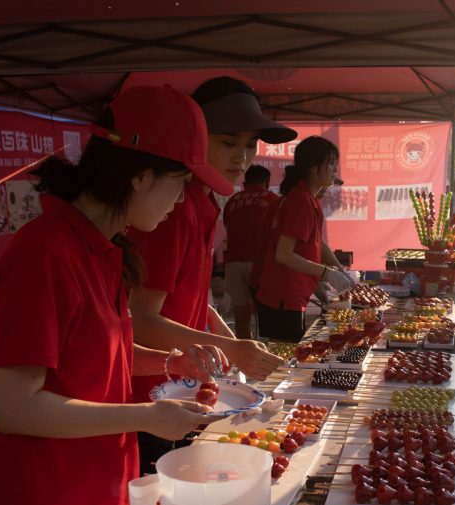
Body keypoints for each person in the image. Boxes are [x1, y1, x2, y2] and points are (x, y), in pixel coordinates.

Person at [0, 85, 231, 505]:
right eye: (179, 184)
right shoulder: (45, 257)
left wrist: (167, 362)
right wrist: (146, 415)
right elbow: (13, 407)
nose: (180, 202)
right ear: (140, 176)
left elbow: (93, 352)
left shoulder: (102, 248)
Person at [129, 77, 295, 473]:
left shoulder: (202, 203)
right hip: (153, 394)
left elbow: (189, 297)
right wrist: (235, 351)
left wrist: (232, 341)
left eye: (249, 144)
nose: (242, 156)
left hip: (186, 384)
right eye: (228, 142)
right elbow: (141, 320)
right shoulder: (172, 210)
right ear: (194, 138)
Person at [255, 136, 353, 341]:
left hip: (292, 293)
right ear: (313, 168)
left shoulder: (309, 198)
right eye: (331, 165)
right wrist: (326, 273)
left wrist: (339, 269)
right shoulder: (300, 200)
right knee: (285, 363)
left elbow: (317, 241)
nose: (335, 172)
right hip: (282, 295)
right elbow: (283, 255)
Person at [222, 165, 280, 339]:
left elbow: (228, 226)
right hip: (260, 264)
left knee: (241, 315)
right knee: (266, 314)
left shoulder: (232, 201)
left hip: (233, 262)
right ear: (267, 182)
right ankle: (266, 357)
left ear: (245, 182)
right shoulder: (273, 200)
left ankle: (244, 357)